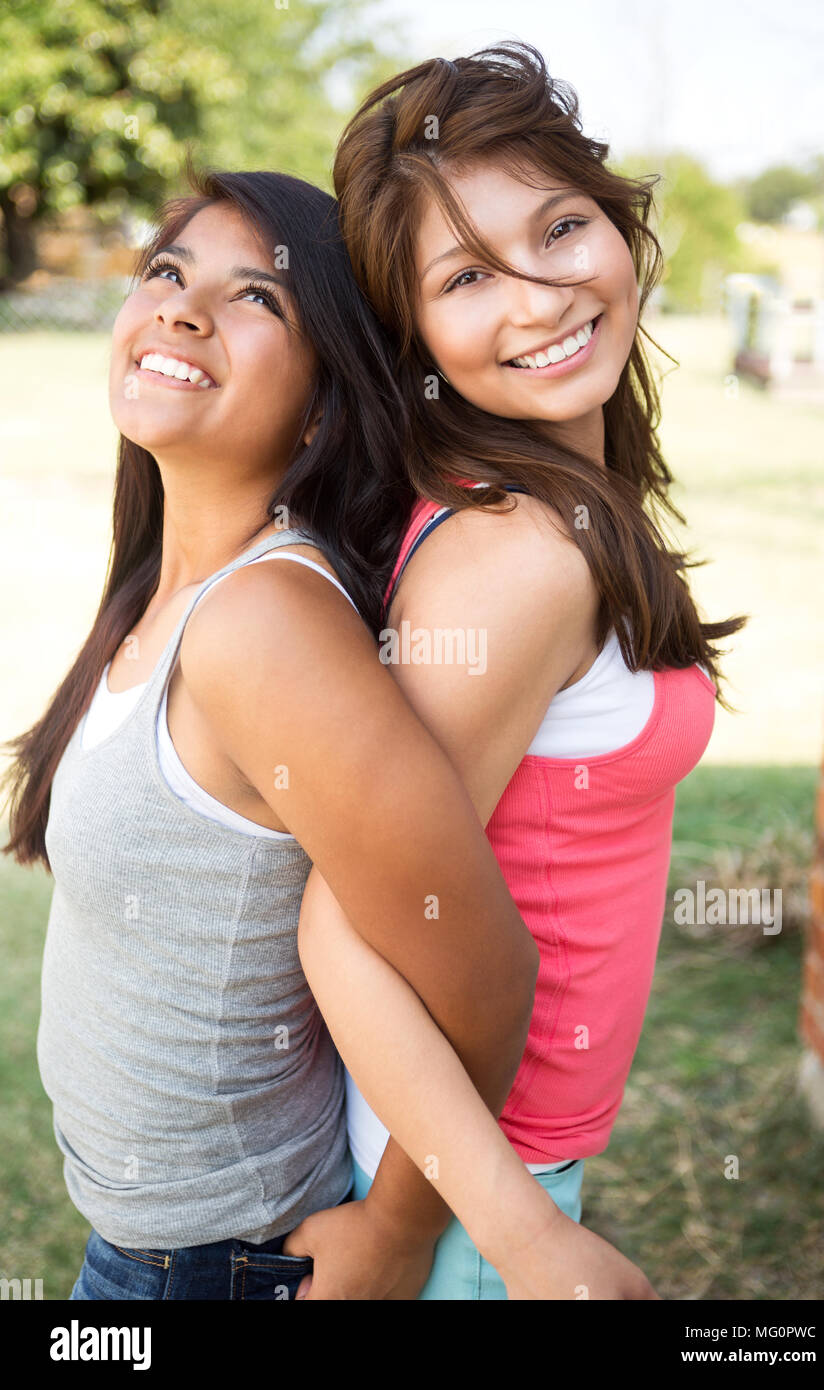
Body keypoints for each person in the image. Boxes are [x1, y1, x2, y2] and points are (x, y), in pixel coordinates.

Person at [3, 166, 644, 1300]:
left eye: (257, 298)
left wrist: (399, 1229)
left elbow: (482, 965)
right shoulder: (168, 586)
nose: (180, 308)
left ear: (323, 400)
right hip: (152, 1239)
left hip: (220, 1263)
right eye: (165, 269)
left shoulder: (264, 623)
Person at [281, 41, 747, 1300]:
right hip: (470, 1184)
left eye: (559, 226)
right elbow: (343, 919)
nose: (540, 296)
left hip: (493, 1160)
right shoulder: (514, 555)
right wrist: (522, 1236)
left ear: (618, 224)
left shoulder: (563, 496)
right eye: (467, 277)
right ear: (413, 328)